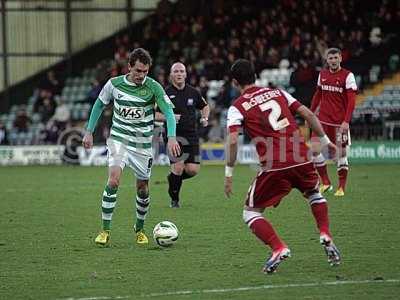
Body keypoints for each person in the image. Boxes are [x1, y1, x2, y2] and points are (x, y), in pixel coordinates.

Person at [224, 59, 341, 274]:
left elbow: (232, 141)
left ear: (234, 82)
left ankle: (278, 248)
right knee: (313, 192)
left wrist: (229, 172)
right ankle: (325, 232)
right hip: (302, 157)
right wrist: (324, 140)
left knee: (250, 212)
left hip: (275, 165)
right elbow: (309, 114)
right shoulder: (278, 93)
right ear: (255, 75)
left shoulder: (237, 106)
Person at [82, 48, 180, 246]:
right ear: (129, 67)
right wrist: (89, 131)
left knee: (143, 188)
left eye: (145, 71)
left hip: (142, 146)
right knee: (114, 180)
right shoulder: (114, 84)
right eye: (137, 71)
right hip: (119, 140)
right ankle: (105, 231)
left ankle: (140, 229)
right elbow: (99, 105)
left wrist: (171, 137)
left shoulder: (154, 87)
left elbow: (168, 112)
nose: (141, 75)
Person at [155, 62, 210, 208]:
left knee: (192, 170)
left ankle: (173, 178)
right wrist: (169, 117)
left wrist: (205, 118)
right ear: (171, 75)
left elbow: (205, 106)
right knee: (178, 167)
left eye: (181, 71)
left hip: (192, 135)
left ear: (186, 74)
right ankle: (175, 200)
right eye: (176, 71)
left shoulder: (193, 92)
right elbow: (154, 114)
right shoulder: (164, 93)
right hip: (174, 136)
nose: (179, 74)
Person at [310, 48, 357, 197]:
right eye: (330, 58)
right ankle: (326, 182)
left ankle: (341, 187)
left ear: (340, 58)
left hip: (339, 123)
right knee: (315, 150)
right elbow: (318, 95)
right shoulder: (322, 74)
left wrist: (346, 121)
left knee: (341, 154)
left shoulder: (348, 76)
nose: (333, 60)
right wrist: (311, 114)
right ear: (326, 60)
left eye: (335, 58)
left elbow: (351, 100)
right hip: (322, 121)